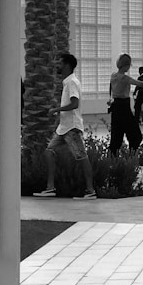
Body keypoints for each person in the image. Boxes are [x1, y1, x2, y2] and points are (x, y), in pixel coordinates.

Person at [33, 53, 96, 200]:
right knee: (49, 152)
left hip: (72, 128)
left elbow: (74, 104)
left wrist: (56, 110)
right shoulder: (67, 82)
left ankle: (90, 191)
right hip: (64, 128)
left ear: (67, 65)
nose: (57, 65)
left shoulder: (71, 82)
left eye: (60, 63)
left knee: (81, 157)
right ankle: (50, 188)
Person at [108, 53, 143, 155]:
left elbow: (111, 88)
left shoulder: (113, 76)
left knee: (116, 136)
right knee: (136, 136)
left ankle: (113, 161)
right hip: (124, 107)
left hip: (115, 107)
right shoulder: (125, 78)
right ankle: (131, 156)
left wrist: (111, 98)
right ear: (126, 65)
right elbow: (142, 84)